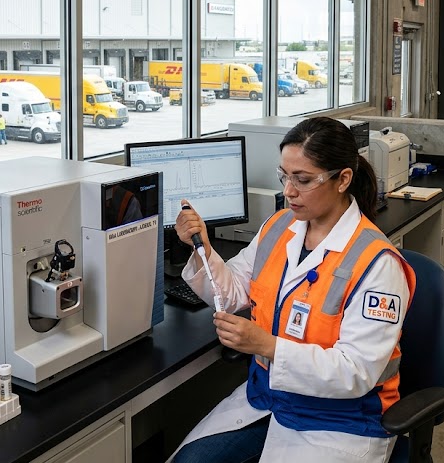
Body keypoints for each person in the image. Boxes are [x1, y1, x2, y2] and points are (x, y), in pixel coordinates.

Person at [170, 117, 416, 463]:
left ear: (343, 179)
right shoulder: (280, 226)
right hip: (268, 398)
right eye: (284, 176)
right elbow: (232, 294)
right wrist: (202, 249)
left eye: (302, 180)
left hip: (339, 421)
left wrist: (266, 345)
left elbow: (356, 372)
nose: (288, 191)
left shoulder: (377, 264)